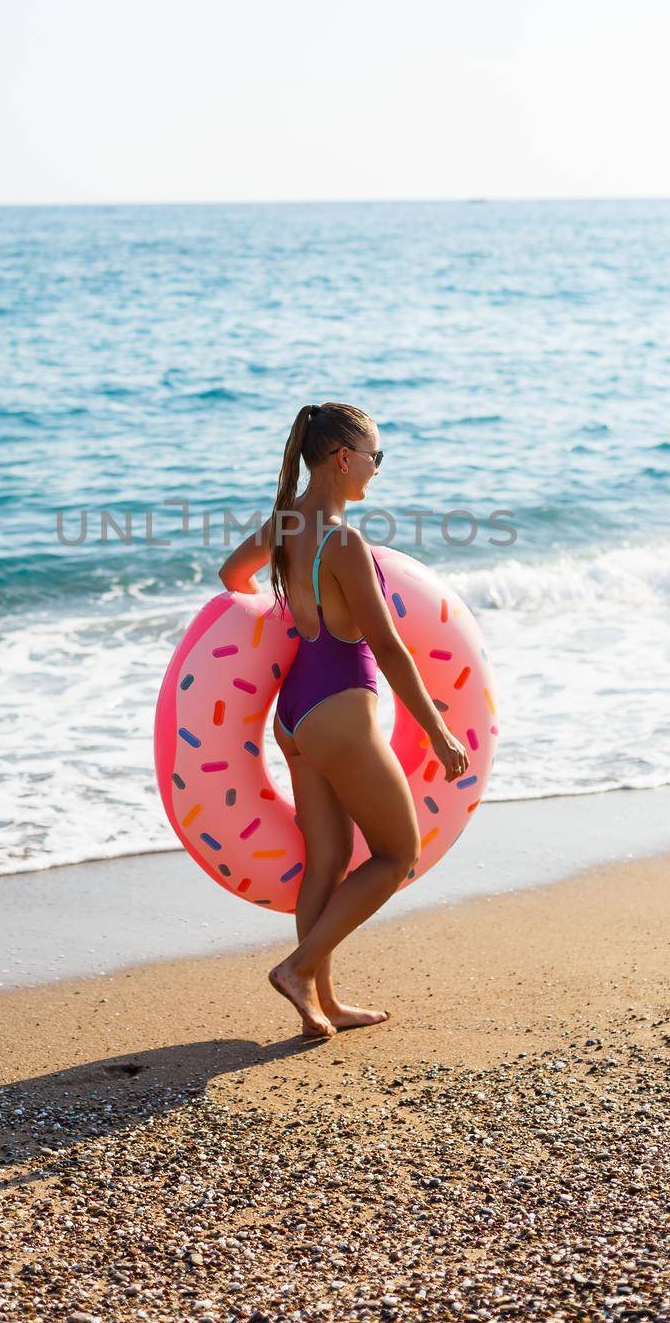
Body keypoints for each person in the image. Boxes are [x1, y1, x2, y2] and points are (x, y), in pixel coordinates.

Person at [218, 401, 470, 1038]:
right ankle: (299, 970)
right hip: (340, 713)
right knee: (394, 853)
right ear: (342, 459)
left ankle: (321, 1006)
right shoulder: (343, 540)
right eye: (375, 457)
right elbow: (387, 647)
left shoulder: (285, 523)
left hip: (295, 711)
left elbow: (232, 575)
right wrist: (438, 731)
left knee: (325, 861)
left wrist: (280, 625)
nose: (377, 470)